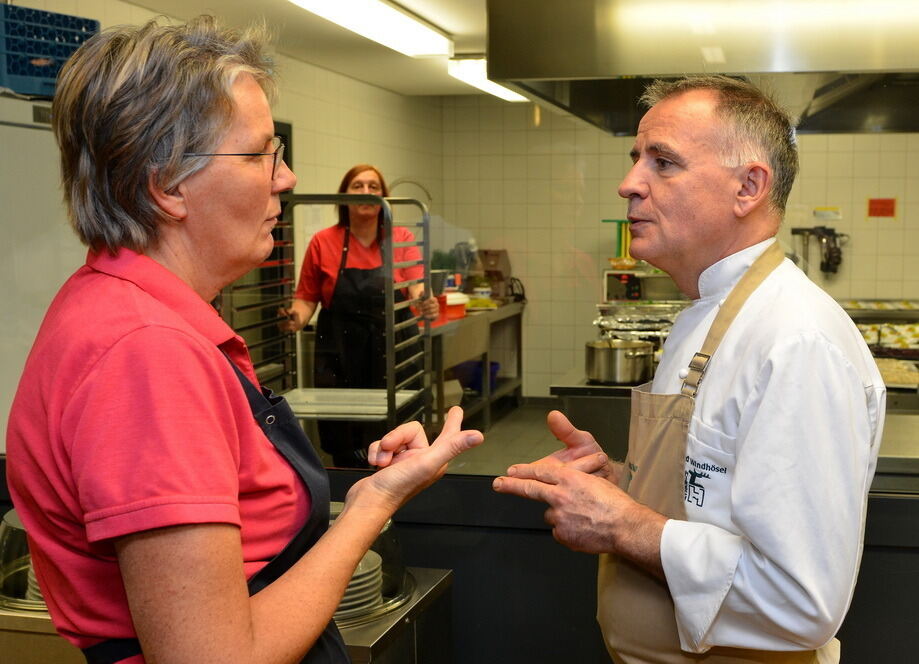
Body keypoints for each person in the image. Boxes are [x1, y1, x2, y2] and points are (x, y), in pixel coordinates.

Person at [5, 16, 482, 664]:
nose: (285, 179)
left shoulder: (128, 311)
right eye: (261, 154)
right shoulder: (146, 353)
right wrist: (372, 504)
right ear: (167, 183)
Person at [493, 75, 885, 663]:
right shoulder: (702, 316)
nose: (628, 184)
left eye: (664, 163)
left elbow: (801, 603)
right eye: (635, 160)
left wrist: (624, 527)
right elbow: (714, 503)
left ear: (749, 186)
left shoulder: (796, 342)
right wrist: (621, 488)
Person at [279, 165, 438, 468]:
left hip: (393, 351)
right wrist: (294, 318)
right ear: (344, 196)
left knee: (397, 439)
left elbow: (417, 286)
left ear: (384, 197)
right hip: (340, 351)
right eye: (357, 186)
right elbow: (306, 297)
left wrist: (426, 300)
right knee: (345, 437)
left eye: (373, 187)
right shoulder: (323, 241)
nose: (366, 193)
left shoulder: (400, 237)